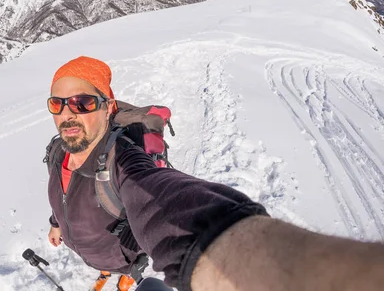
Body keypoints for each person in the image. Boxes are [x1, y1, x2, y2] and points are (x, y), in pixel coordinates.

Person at [45, 56, 384, 291]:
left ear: (109, 107)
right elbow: (63, 193)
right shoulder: (58, 150)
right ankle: (106, 267)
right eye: (56, 104)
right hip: (86, 247)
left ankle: (119, 272)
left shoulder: (123, 162)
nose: (66, 114)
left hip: (120, 254)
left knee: (119, 262)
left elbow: (176, 208)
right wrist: (57, 223)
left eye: (82, 103)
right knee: (100, 254)